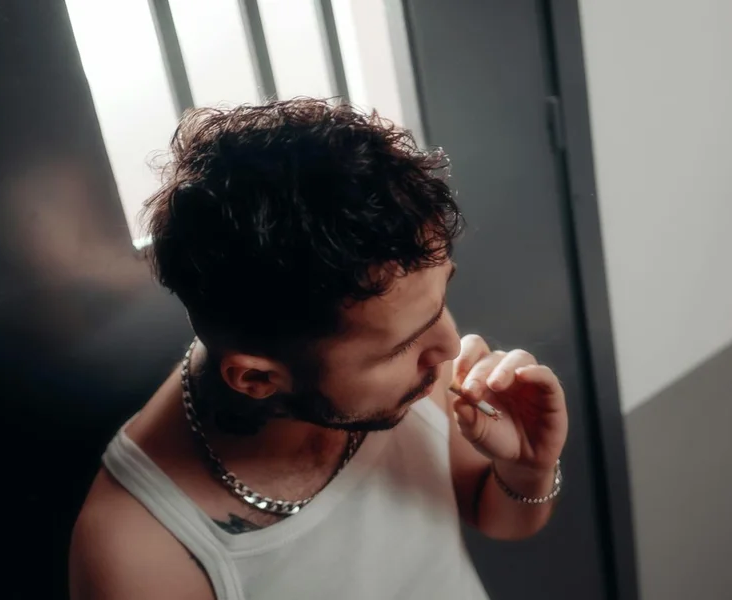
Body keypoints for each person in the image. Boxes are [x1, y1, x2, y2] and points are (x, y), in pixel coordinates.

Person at [68, 99, 569, 599]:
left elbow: (497, 516)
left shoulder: (420, 352)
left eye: (440, 305)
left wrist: (527, 467)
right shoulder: (136, 549)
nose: (446, 348)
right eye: (400, 347)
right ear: (258, 379)